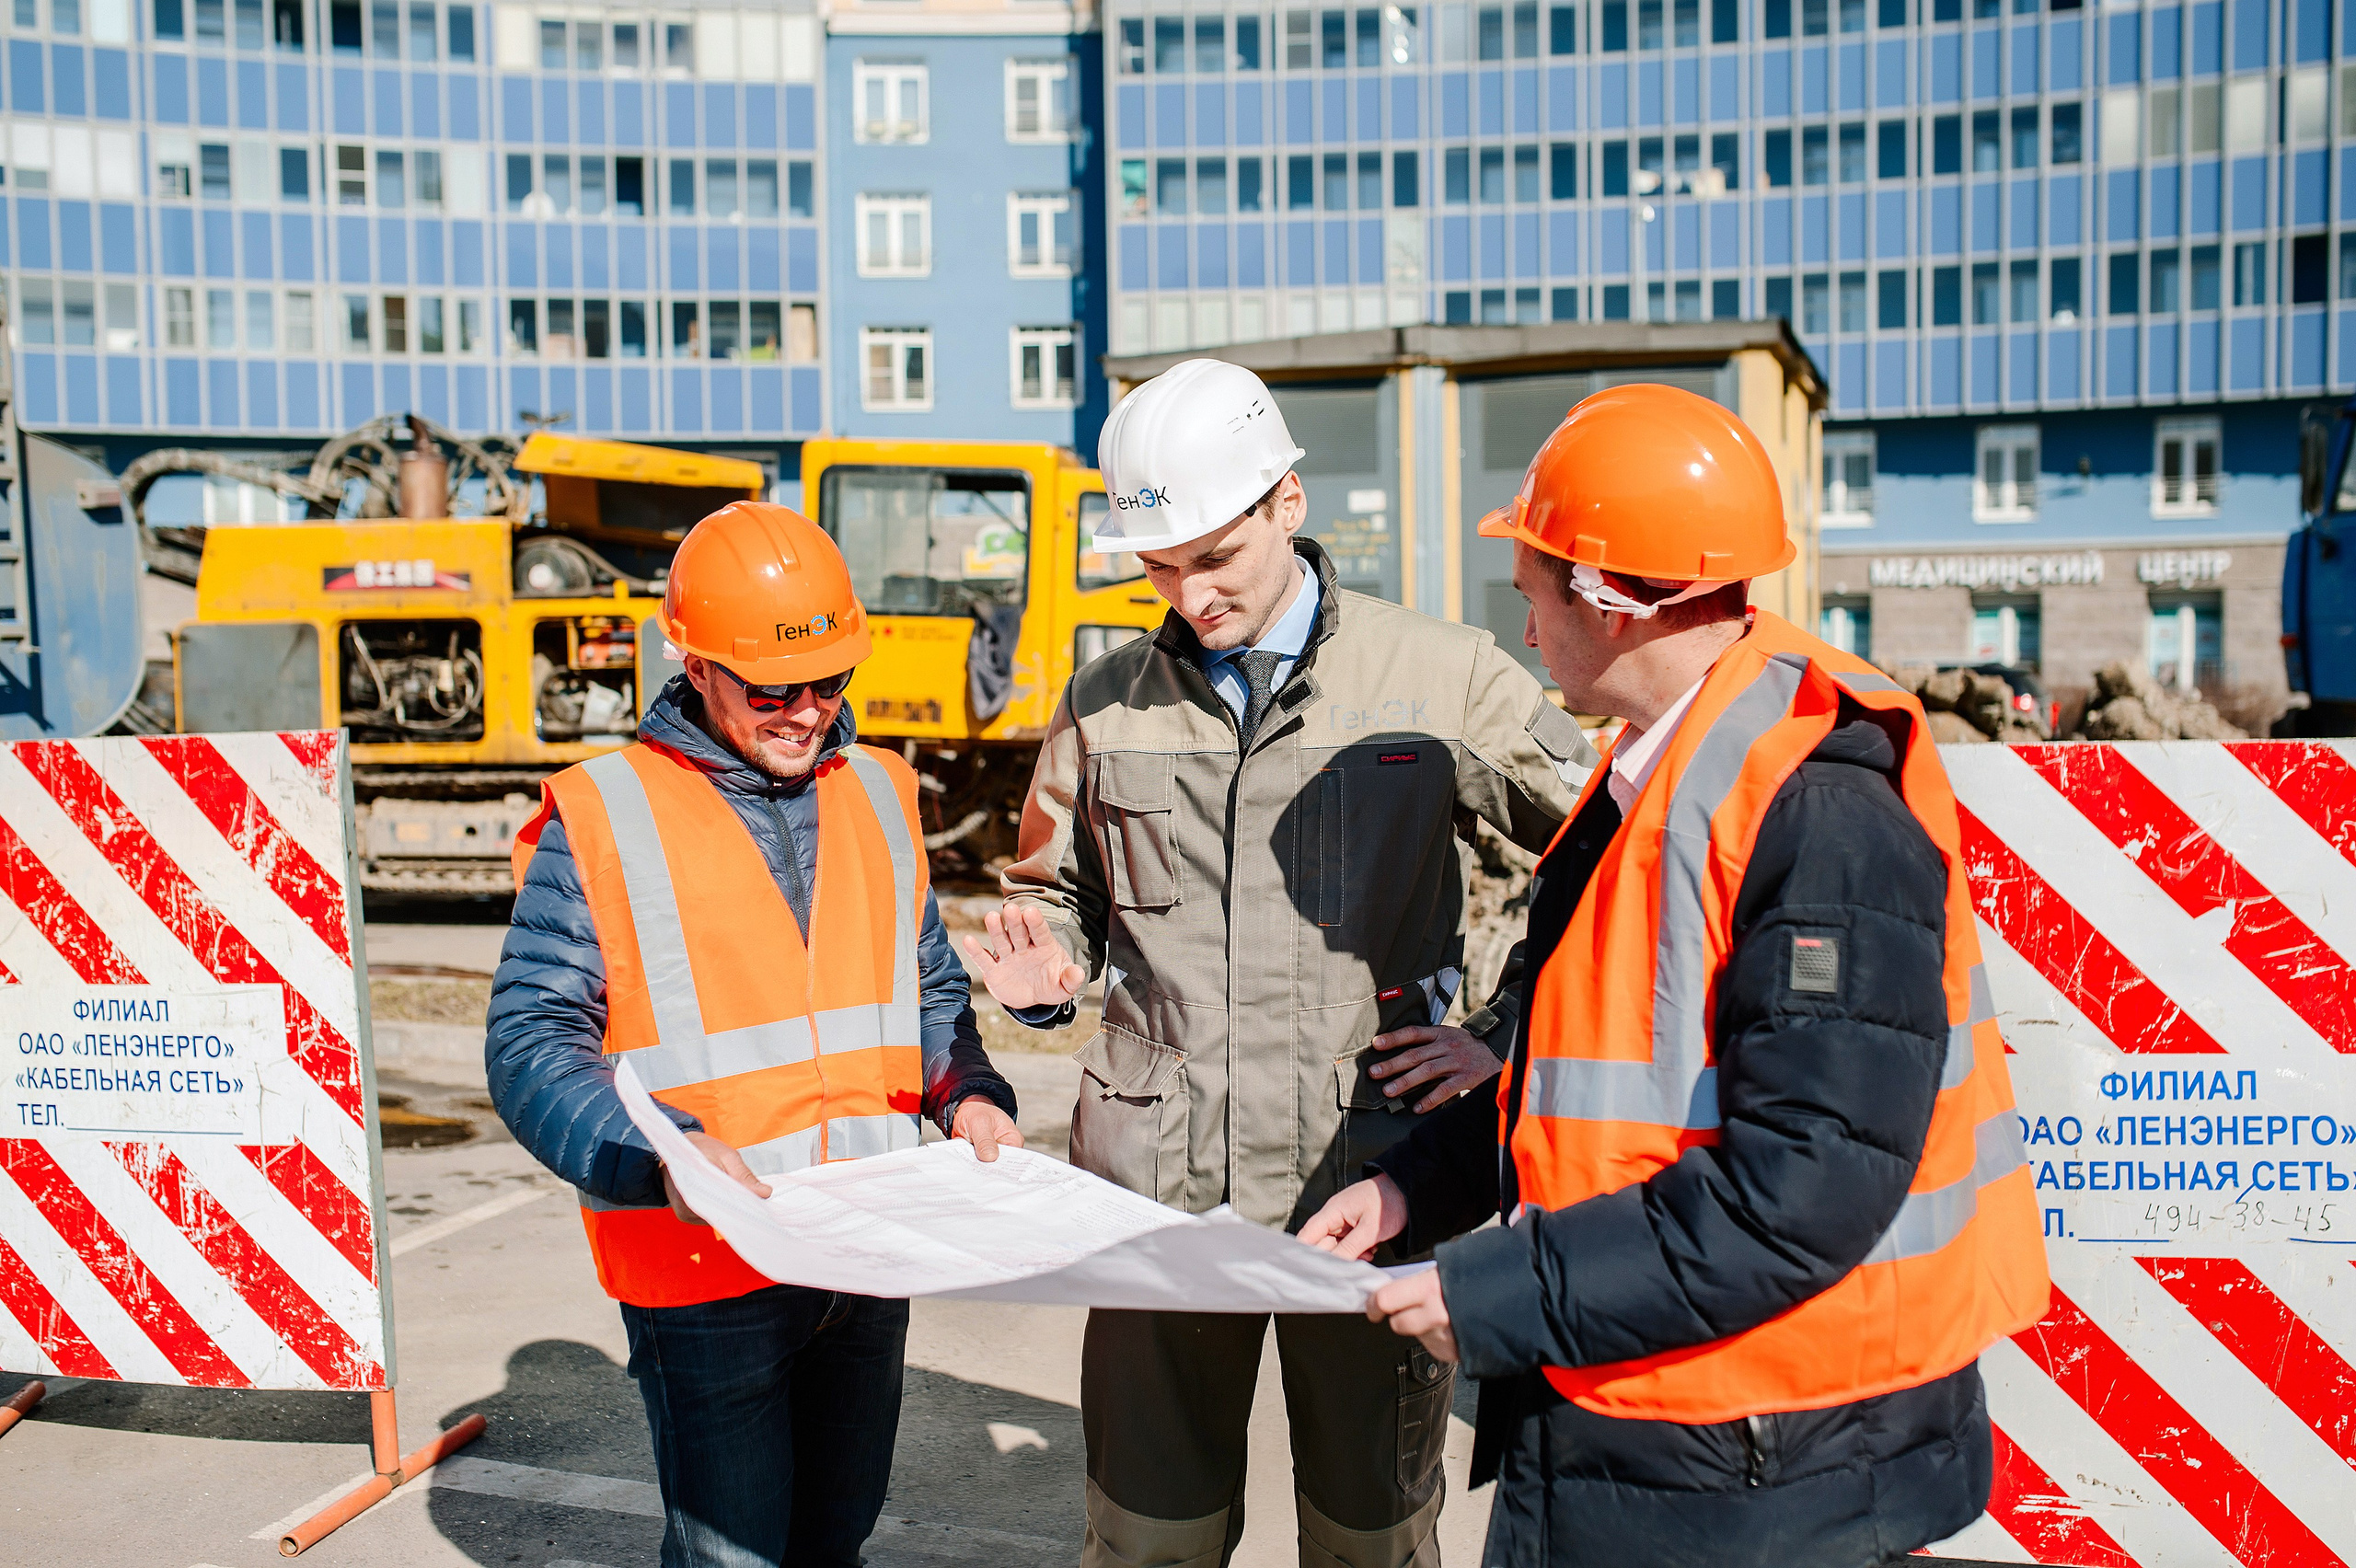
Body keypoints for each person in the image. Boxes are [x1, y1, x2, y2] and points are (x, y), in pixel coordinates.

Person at [1300, 383, 2053, 1568]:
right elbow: (1591, 1083)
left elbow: (1803, 1185)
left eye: (1538, 582)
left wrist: (1496, 1289)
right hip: (1668, 1423)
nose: (1522, 610)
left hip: (1769, 1458)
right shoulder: (1662, 774)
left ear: (1613, 602)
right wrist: (1417, 1189)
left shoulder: (1818, 809)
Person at [964, 358, 1596, 1568]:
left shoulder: (1441, 678)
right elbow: (1057, 898)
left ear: (1285, 505)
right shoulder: (1106, 705)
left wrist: (1505, 1031)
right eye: (1159, 568)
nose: (1189, 594)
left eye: (1214, 558)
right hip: (1157, 1201)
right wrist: (1045, 985)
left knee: (1371, 1540)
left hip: (1367, 1184)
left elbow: (1604, 859)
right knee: (1151, 1539)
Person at [485, 502, 1023, 1568]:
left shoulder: (880, 792)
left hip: (862, 1255)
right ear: (692, 664)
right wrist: (664, 1155)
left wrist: (968, 1091)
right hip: (703, 1264)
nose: (806, 712)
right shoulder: (607, 812)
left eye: (829, 682)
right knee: (735, 1557)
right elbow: (531, 1041)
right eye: (773, 688)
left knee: (836, 1537)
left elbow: (925, 988)